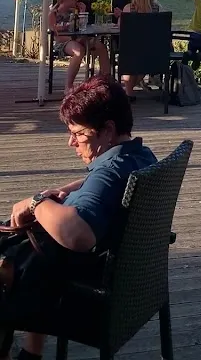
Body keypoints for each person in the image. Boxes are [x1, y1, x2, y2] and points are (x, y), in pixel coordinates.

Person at [0, 77, 157, 360]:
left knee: (7, 265)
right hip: (125, 275)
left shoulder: (107, 174)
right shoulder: (142, 157)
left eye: (78, 133)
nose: (71, 141)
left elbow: (78, 235)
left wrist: (36, 202)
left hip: (77, 283)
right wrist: (69, 189)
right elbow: (104, 180)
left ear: (107, 130)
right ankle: (30, 352)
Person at [48, 0, 110, 93]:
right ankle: (68, 86)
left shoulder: (75, 12)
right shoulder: (54, 13)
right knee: (78, 50)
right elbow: (56, 35)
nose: (76, 0)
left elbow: (82, 27)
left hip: (80, 39)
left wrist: (82, 12)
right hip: (63, 42)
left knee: (101, 47)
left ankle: (105, 80)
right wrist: (72, 37)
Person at [113, 0, 160, 95]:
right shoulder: (158, 9)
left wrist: (121, 17)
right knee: (144, 60)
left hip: (131, 50)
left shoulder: (129, 8)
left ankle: (128, 92)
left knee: (129, 56)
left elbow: (121, 29)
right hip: (152, 51)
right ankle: (129, 90)